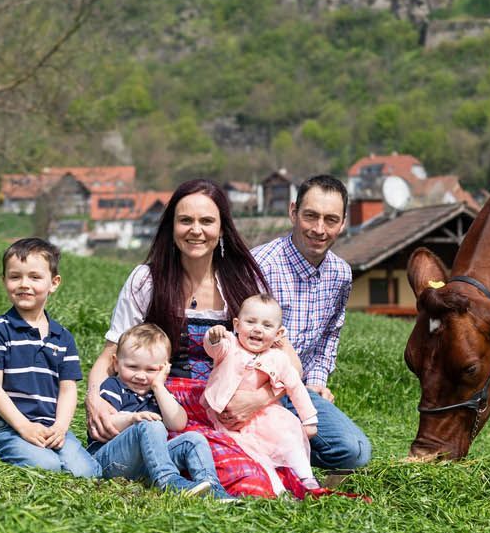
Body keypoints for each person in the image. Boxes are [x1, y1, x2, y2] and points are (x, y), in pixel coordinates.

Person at [86, 178, 306, 498]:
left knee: (277, 470)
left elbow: (287, 363)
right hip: (171, 404)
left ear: (222, 228)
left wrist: (257, 400)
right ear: (171, 226)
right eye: (185, 220)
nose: (196, 230)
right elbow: (110, 355)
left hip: (232, 404)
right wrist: (94, 397)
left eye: (206, 221)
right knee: (242, 477)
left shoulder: (245, 280)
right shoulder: (146, 280)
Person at [252, 174, 372, 473]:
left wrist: (317, 382)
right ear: (293, 212)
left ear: (343, 223)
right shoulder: (261, 265)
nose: (319, 229)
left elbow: (329, 336)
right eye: (310, 216)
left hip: (300, 392)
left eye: (331, 220)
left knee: (355, 452)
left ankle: (283, 453)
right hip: (254, 390)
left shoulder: (340, 274)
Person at [0, 238, 100, 478]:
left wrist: (61, 428)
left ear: (53, 283)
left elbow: (68, 390)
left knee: (87, 472)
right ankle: (1, 448)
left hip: (50, 425)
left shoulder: (63, 336)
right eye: (15, 277)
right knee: (48, 466)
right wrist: (23, 426)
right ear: (4, 281)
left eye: (34, 277)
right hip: (8, 426)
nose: (24, 284)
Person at [88, 323, 224, 497]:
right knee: (151, 424)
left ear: (164, 368)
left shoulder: (158, 392)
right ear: (115, 363)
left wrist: (159, 386)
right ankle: (168, 481)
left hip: (147, 464)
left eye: (151, 370)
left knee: (194, 439)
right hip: (109, 459)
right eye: (132, 367)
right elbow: (106, 422)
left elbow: (178, 423)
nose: (141, 375)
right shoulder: (113, 386)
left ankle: (212, 488)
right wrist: (133, 419)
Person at [202, 294, 320, 495]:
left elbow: (295, 387)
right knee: (253, 454)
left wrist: (309, 419)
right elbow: (215, 349)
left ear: (278, 333)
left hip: (265, 415)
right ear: (237, 325)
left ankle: (307, 478)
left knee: (289, 436)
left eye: (267, 326)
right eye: (250, 322)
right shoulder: (229, 345)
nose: (257, 329)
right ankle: (277, 490)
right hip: (227, 415)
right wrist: (213, 337)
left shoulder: (279, 358)